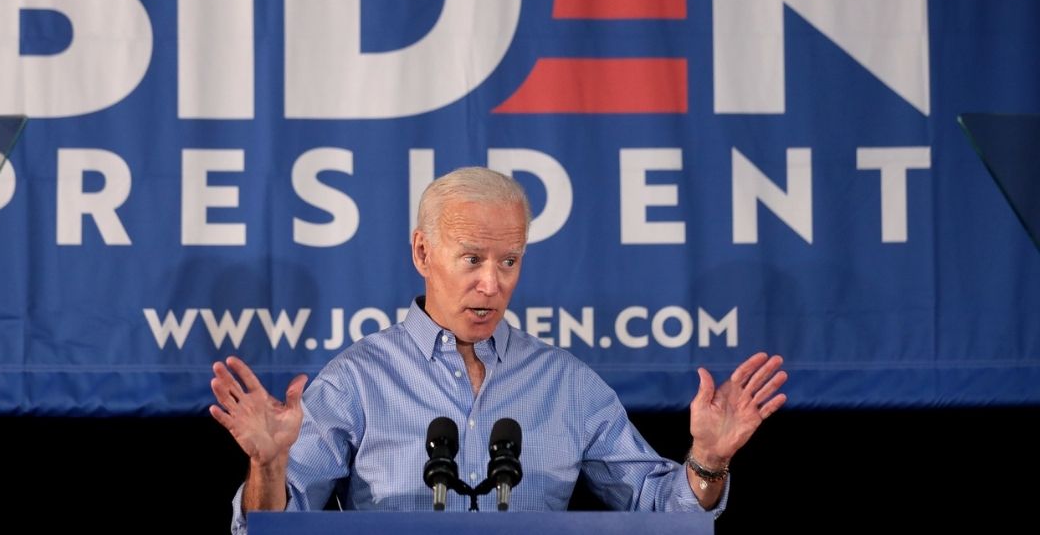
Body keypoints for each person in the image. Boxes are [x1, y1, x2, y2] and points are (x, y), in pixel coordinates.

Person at [210, 167, 787, 533]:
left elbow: (667, 512)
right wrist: (268, 464)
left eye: (509, 261)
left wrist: (708, 460)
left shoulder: (566, 383)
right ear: (422, 253)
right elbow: (266, 529)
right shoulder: (356, 381)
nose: (493, 284)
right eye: (472, 260)